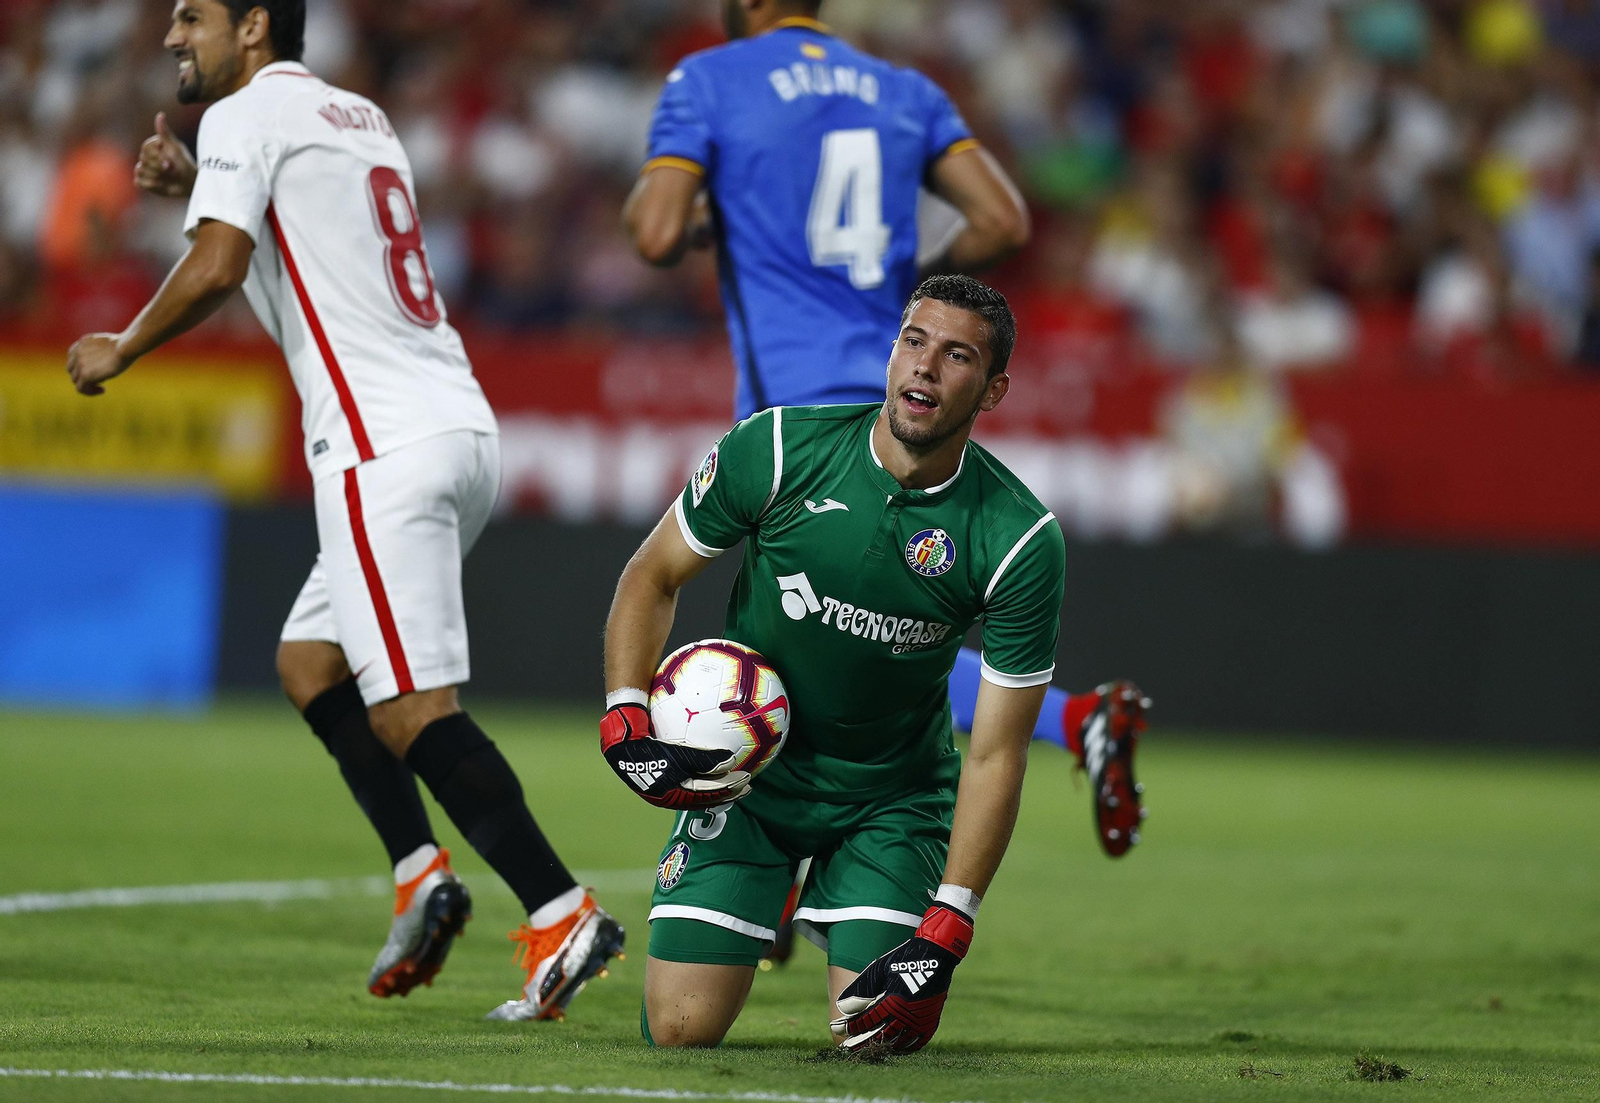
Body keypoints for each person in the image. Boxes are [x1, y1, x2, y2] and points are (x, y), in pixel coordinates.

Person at [63, 0, 621, 1021]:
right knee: (310, 663)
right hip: (457, 427)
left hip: (380, 446)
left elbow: (224, 265)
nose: (173, 37)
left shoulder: (240, 115)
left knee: (411, 709)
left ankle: (560, 909)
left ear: (256, 26)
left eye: (192, 16)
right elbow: (303, 251)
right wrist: (201, 189)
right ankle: (420, 871)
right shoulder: (356, 116)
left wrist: (123, 343)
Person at [622, 0, 1146, 858]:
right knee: (869, 632)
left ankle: (776, 860)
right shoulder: (904, 88)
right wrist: (896, 282)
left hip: (799, 413)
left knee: (825, 636)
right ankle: (1078, 719)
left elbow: (654, 231)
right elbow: (1005, 221)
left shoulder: (710, 79)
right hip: (901, 384)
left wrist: (729, 223)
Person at [601, 275, 1077, 1051]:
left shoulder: (1019, 540)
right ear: (891, 352)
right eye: (914, 342)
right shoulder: (780, 447)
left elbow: (995, 750)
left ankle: (849, 895)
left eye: (956, 356)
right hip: (748, 776)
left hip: (891, 799)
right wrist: (625, 710)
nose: (924, 367)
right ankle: (758, 890)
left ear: (993, 390)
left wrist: (949, 925)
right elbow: (651, 574)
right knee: (680, 1030)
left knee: (873, 1038)